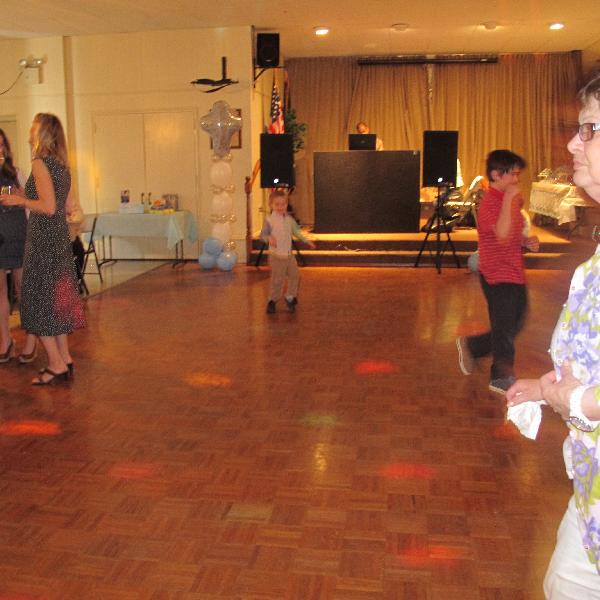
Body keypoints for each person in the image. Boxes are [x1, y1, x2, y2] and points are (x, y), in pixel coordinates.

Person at [507, 73, 600, 599]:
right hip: (590, 493)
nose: (572, 143)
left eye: (589, 129)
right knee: (562, 585)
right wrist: (547, 390)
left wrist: (582, 401)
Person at [0, 113, 85, 385]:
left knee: (37, 302)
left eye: (33, 126)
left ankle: (56, 364)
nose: (29, 130)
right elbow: (66, 206)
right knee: (55, 301)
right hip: (57, 238)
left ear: (42, 133)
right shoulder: (61, 165)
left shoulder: (39, 163)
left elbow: (48, 207)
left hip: (43, 240)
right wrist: (26, 197)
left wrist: (20, 201)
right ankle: (65, 358)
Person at [456, 149, 539, 394]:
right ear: (496, 175)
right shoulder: (489, 203)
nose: (516, 179)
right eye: (512, 174)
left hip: (513, 269)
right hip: (496, 273)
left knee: (517, 321)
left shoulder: (510, 200)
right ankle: (501, 378)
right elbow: (501, 235)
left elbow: (511, 233)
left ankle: (474, 346)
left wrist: (526, 241)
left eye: (517, 174)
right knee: (504, 327)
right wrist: (509, 200)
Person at [261, 188, 315, 314]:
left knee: (295, 276)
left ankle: (290, 297)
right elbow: (263, 235)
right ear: (271, 205)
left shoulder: (289, 220)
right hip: (277, 256)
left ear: (286, 204)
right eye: (277, 204)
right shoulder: (269, 220)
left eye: (283, 204)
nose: (280, 207)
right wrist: (269, 238)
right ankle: (272, 300)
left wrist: (306, 240)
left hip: (289, 255)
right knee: (277, 280)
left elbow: (296, 232)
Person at [0, 129, 27, 363]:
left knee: (22, 288)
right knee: (0, 290)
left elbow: (30, 202)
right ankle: (5, 340)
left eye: (1, 145)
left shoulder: (16, 173)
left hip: (17, 232)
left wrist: (20, 196)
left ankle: (31, 340)